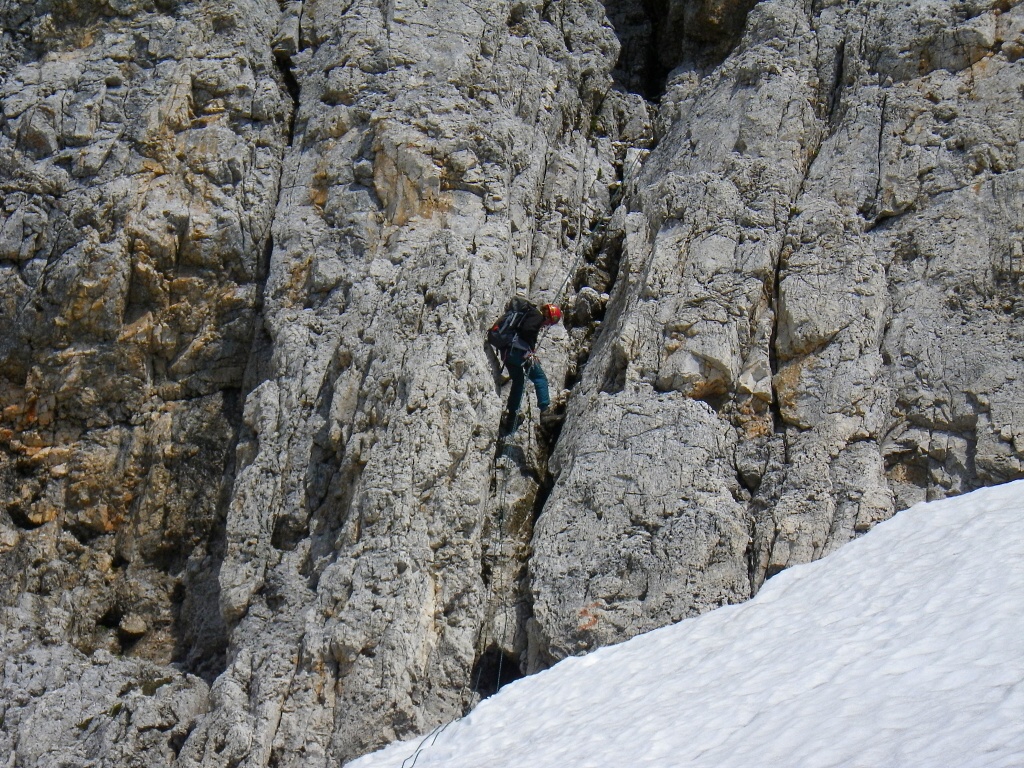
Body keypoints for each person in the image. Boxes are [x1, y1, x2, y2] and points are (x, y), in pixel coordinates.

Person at [488, 298, 562, 436]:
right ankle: (545, 413)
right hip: (519, 352)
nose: (546, 325)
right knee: (540, 378)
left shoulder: (528, 315)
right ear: (548, 316)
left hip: (508, 353)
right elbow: (527, 330)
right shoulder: (537, 316)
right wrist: (529, 351)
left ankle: (511, 418)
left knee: (519, 382)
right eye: (549, 322)